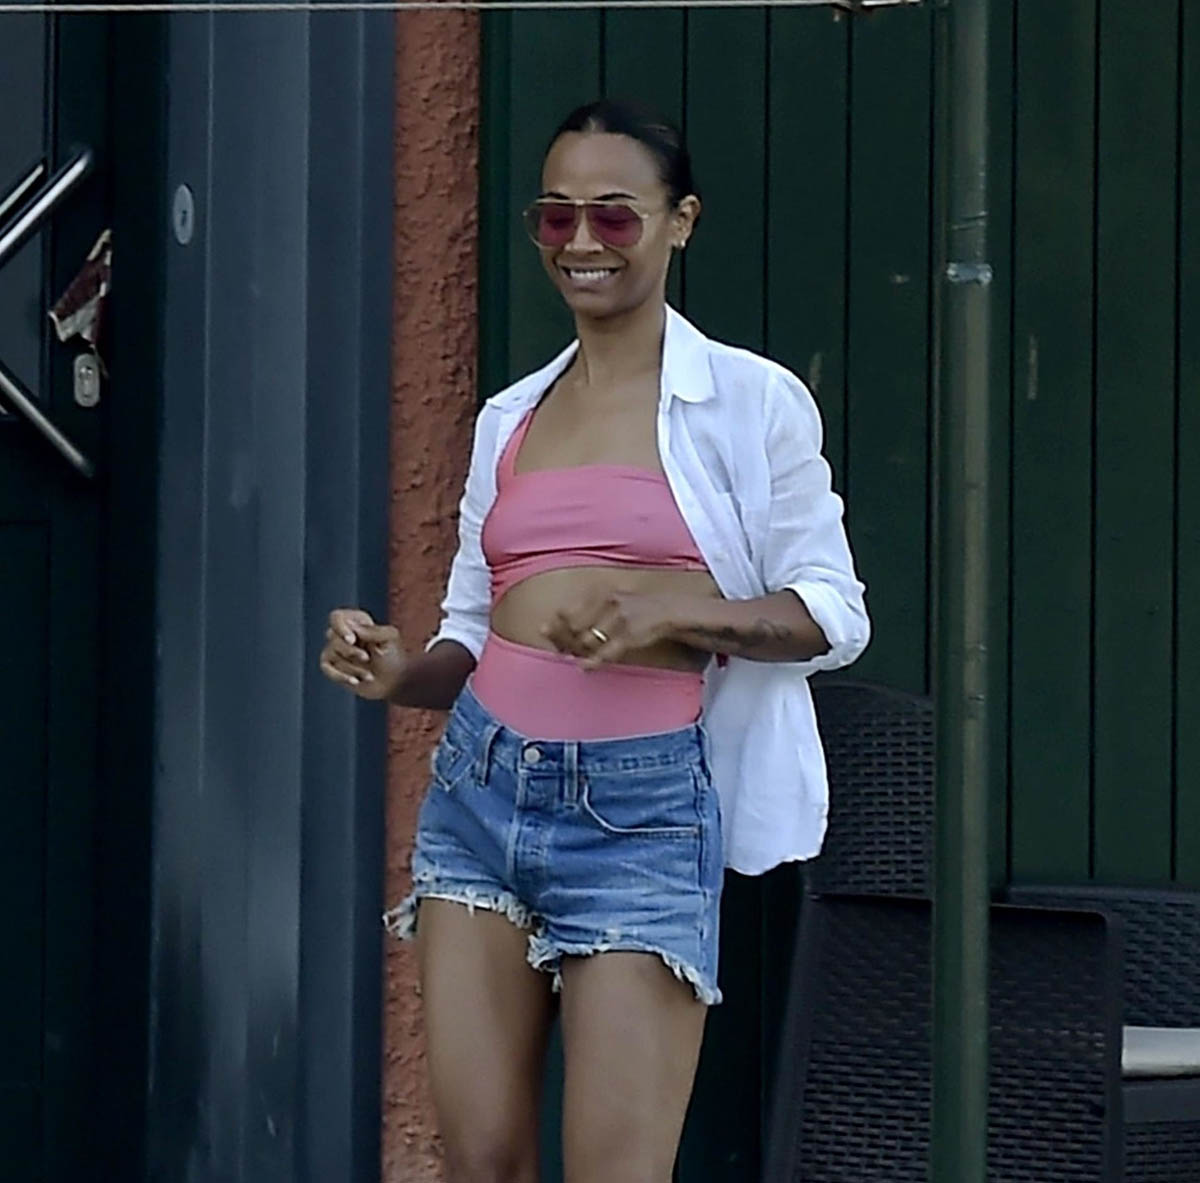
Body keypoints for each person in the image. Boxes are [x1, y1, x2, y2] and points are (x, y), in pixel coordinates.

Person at [319, 99, 869, 1183]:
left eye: (614, 217)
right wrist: (401, 672)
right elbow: (471, 631)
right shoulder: (509, 418)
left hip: (642, 808)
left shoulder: (749, 402)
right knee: (481, 1163)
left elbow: (832, 614)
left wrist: (673, 612)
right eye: (555, 216)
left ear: (681, 222)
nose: (581, 242)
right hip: (479, 791)